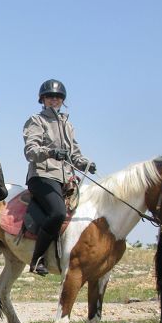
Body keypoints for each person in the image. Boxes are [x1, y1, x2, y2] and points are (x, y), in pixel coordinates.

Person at [22, 79, 96, 276]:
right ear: (43, 100)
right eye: (49, 97)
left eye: (57, 97)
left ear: (62, 100)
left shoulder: (68, 125)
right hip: (42, 176)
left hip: (65, 179)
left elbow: (75, 155)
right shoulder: (36, 121)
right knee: (57, 212)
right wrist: (51, 152)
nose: (54, 100)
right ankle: (37, 259)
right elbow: (31, 151)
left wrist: (85, 163)